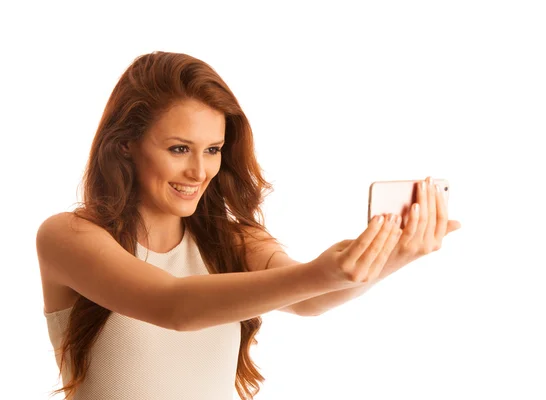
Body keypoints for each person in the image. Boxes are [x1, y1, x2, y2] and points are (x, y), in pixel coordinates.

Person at [36, 51, 460, 400]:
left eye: (214, 149)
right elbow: (172, 305)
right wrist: (322, 272)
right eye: (180, 148)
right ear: (126, 144)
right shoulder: (68, 237)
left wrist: (391, 256)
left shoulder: (232, 239)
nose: (200, 171)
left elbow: (309, 299)